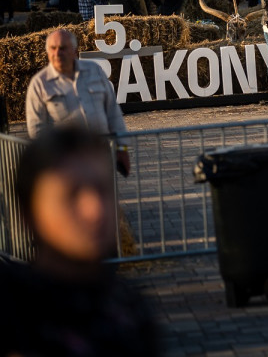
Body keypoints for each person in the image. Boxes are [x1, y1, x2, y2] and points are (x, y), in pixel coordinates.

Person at [0, 127, 157, 357]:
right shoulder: (11, 310)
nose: (95, 210)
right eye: (72, 194)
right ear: (29, 211)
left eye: (102, 190)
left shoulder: (132, 309)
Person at [25, 28, 130, 171]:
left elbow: (113, 112)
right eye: (53, 48)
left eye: (63, 48)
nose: (57, 53)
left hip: (101, 156)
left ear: (74, 51)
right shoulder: (39, 84)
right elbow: (36, 129)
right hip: (65, 163)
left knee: (104, 194)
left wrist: (122, 148)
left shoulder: (95, 71)